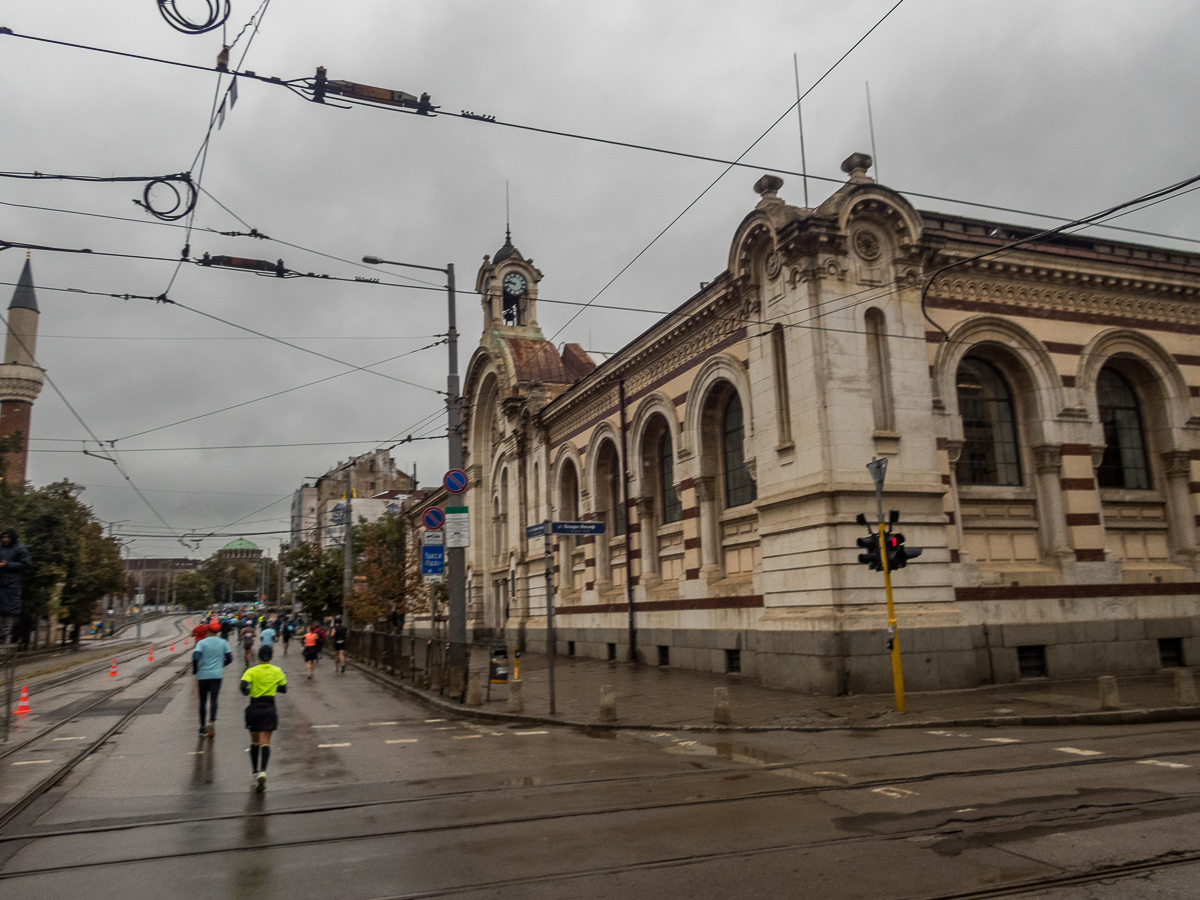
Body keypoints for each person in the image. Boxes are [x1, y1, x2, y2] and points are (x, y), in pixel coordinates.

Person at [240, 644, 287, 792]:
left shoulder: (251, 671)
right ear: (271, 657)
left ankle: (254, 772)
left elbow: (243, 687)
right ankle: (263, 771)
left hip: (254, 707)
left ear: (258, 656)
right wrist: (273, 686)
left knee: (254, 741)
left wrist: (249, 692)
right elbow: (284, 688)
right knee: (265, 742)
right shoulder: (277, 670)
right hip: (269, 707)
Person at [193, 620, 232, 737]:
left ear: (208, 630)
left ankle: (202, 726)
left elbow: (195, 657)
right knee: (214, 700)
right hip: (217, 675)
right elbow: (230, 659)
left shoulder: (202, 643)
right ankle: (211, 722)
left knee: (203, 701)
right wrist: (220, 665)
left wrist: (196, 670)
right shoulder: (223, 642)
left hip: (203, 675)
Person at [0, 528, 31, 645]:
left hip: (10, 586)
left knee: (8, 614)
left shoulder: (20, 548)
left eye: (7, 537)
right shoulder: (1, 547)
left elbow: (25, 564)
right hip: (2, 584)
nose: (5, 539)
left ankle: (4, 642)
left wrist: (7, 565)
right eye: (3, 537)